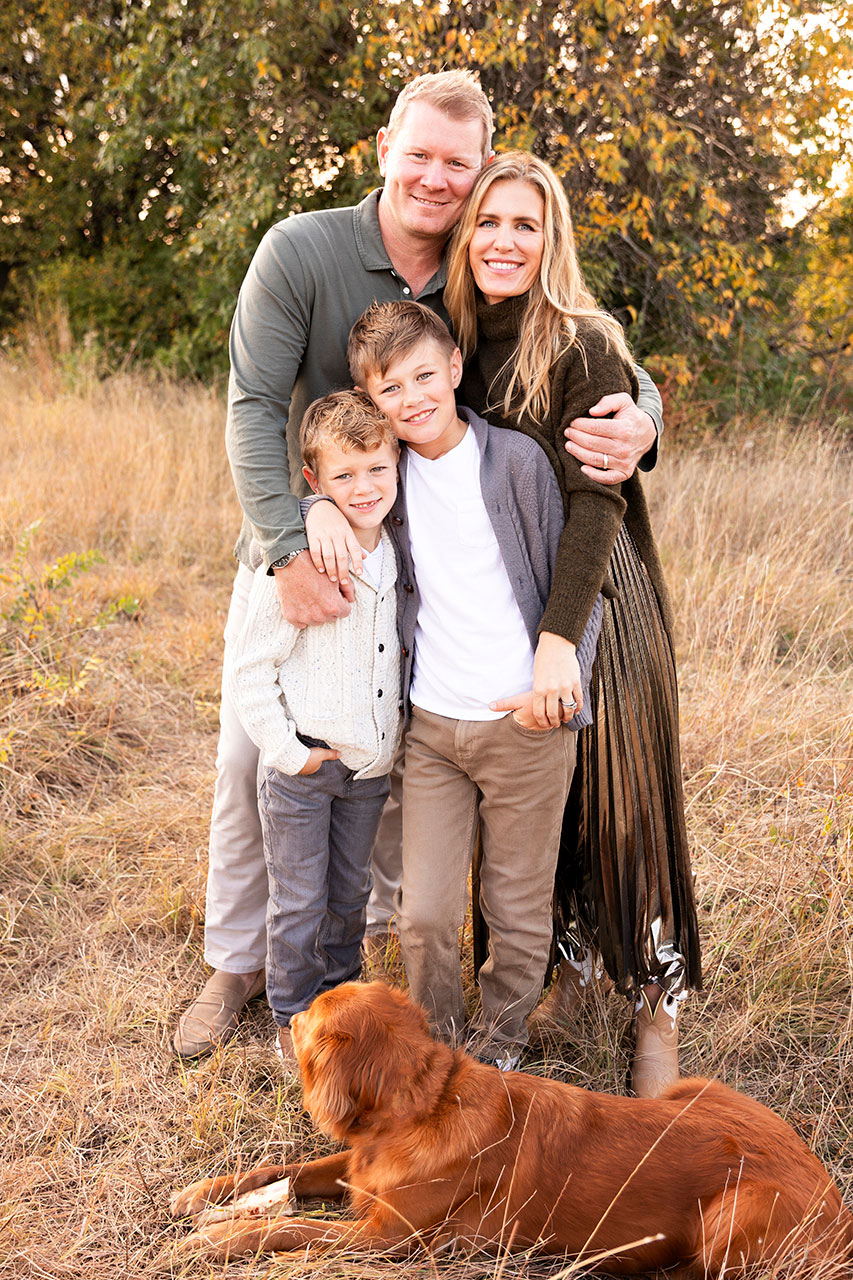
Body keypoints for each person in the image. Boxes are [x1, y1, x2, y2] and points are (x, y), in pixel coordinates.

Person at [172, 70, 665, 1059]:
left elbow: (577, 337)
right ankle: (236, 962)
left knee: (381, 766)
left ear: (479, 169)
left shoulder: (474, 265)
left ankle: (365, 955)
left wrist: (644, 413)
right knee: (255, 753)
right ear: (384, 148)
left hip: (402, 565)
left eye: (458, 162)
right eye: (421, 155)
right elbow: (252, 404)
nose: (437, 178)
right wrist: (287, 546)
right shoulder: (302, 249)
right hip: (300, 539)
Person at [442, 151, 702, 1096]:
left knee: (624, 806)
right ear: (464, 235)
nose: (504, 241)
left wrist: (561, 639)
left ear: (551, 239)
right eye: (489, 221)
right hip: (506, 602)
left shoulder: (582, 340)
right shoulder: (453, 344)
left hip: (600, 603)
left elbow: (597, 500)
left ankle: (655, 1011)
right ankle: (568, 972)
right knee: (536, 807)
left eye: (527, 224)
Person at [341, 300, 605, 1069]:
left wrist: (565, 686)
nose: (412, 399)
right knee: (422, 914)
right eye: (390, 389)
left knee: (514, 906)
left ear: (455, 367)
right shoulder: (385, 480)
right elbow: (332, 490)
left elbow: (577, 580)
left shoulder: (516, 463)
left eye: (424, 376)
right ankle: (439, 1044)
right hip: (431, 728)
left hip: (524, 723)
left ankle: (500, 1046)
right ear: (371, 400)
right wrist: (314, 512)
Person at [226, 391, 402, 1069]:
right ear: (314, 482)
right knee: (299, 902)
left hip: (367, 771)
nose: (364, 488)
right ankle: (293, 1019)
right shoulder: (302, 555)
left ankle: (340, 1006)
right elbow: (250, 668)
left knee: (349, 896)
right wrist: (286, 752)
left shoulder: (397, 551)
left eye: (377, 469)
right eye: (344, 475)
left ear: (396, 464)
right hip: (303, 773)